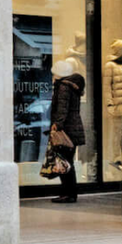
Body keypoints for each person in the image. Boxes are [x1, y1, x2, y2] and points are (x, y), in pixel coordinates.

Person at [47, 58, 86, 204]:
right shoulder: (72, 86)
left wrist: (57, 125)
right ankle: (69, 193)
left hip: (67, 130)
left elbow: (62, 109)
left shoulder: (63, 87)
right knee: (66, 162)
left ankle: (68, 194)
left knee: (64, 162)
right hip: (73, 128)